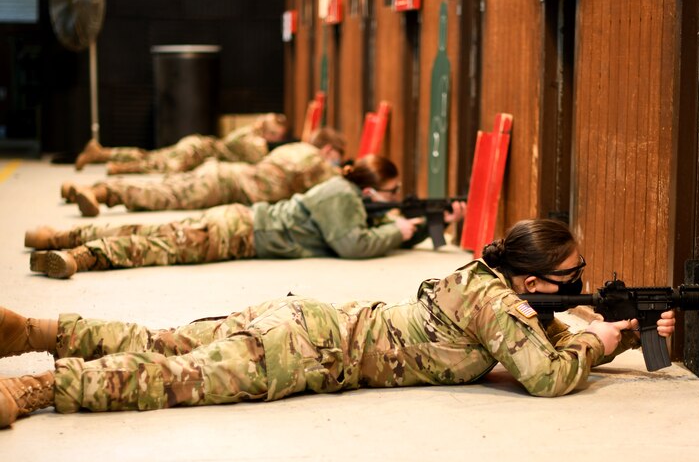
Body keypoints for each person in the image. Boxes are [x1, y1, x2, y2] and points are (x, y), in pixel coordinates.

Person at [1, 218, 674, 427]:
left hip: (303, 319)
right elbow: (548, 375)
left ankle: (36, 329)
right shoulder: (497, 306)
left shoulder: (479, 278)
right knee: (168, 377)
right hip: (304, 354)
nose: (580, 286)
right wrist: (603, 336)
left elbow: (523, 335)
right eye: (572, 277)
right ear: (532, 280)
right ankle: (37, 387)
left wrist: (576, 316)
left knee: (165, 339)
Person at [25, 155, 463, 279]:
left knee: (156, 232)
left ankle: (61, 237)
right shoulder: (340, 195)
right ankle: (78, 254)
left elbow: (369, 231)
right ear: (370, 191)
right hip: (244, 231)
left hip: (243, 222)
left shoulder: (349, 197)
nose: (394, 200)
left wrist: (420, 227)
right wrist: (399, 228)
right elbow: (353, 244)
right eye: (389, 195)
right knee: (160, 245)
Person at [52, 127, 346, 218]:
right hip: (225, 185)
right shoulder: (316, 164)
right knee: (164, 193)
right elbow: (338, 189)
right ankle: (99, 192)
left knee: (167, 182)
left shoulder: (293, 148)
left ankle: (82, 189)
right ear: (329, 151)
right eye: (338, 158)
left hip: (221, 173)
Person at [74, 113, 288, 173]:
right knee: (161, 165)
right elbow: (258, 164)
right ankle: (119, 166)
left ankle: (102, 153)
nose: (277, 139)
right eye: (276, 134)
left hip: (197, 146)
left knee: (152, 156)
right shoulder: (254, 141)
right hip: (198, 151)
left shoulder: (248, 132)